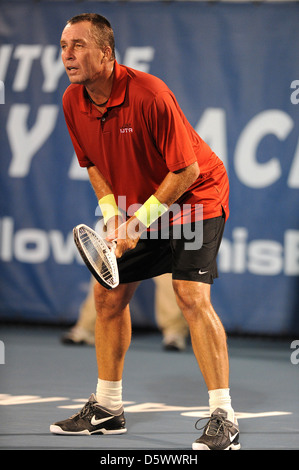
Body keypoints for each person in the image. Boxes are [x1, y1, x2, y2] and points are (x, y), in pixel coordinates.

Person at [50, 13, 240, 450]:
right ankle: (108, 408)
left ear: (106, 52)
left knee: (191, 296)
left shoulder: (150, 94)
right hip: (142, 201)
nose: (67, 55)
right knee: (107, 294)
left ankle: (223, 417)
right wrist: (113, 214)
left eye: (78, 45)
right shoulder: (72, 101)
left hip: (196, 197)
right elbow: (93, 164)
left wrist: (137, 222)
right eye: (63, 46)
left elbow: (187, 169)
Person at [61, 274, 189, 351]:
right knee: (107, 272)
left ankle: (175, 332)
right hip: (121, 232)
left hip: (160, 231)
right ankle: (86, 329)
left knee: (168, 274)